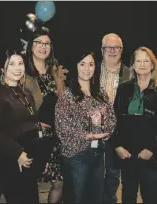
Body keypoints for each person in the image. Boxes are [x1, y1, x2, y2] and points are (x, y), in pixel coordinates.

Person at [0, 47, 49, 203]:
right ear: (2, 69)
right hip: (8, 160)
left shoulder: (26, 93)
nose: (17, 68)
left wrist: (40, 159)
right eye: (11, 64)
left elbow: (30, 124)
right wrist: (18, 153)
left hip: (27, 160)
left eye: (20, 63)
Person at [109, 46, 157, 203]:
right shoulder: (124, 89)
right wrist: (117, 146)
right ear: (133, 65)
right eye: (138, 61)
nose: (142, 64)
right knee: (128, 196)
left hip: (150, 155)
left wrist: (152, 149)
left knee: (150, 196)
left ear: (152, 64)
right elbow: (114, 119)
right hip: (127, 153)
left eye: (146, 61)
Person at [55, 50, 117, 203]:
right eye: (82, 64)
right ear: (75, 67)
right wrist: (87, 135)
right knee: (75, 199)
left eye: (90, 64)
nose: (87, 68)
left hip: (97, 155)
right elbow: (62, 129)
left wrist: (103, 126)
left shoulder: (100, 93)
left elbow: (112, 120)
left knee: (95, 198)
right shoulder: (67, 96)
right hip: (76, 157)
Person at [24, 26, 68, 203]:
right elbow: (16, 105)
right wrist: (33, 122)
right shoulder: (23, 72)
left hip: (55, 137)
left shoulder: (57, 71)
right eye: (39, 43)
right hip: (32, 135)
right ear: (31, 46)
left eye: (47, 43)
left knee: (59, 182)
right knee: (29, 181)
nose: (43, 46)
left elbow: (64, 100)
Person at [97, 33, 130, 203]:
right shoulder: (91, 70)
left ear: (121, 50)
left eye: (116, 47)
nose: (112, 51)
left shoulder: (130, 74)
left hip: (117, 134)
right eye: (108, 47)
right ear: (102, 50)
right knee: (92, 175)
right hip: (92, 134)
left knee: (112, 175)